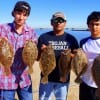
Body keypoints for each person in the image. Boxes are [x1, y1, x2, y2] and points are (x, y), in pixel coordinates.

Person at [0, 1, 37, 100]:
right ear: (13, 13)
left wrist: (32, 45)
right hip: (6, 79)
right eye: (18, 13)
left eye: (25, 15)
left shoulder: (32, 32)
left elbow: (34, 53)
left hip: (24, 78)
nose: (21, 17)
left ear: (27, 16)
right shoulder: (2, 28)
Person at [37, 12, 79, 100]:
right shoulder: (43, 37)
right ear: (51, 22)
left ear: (65, 23)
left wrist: (69, 55)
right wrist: (41, 51)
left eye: (61, 20)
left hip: (63, 78)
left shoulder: (71, 39)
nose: (58, 23)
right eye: (56, 20)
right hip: (46, 77)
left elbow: (77, 58)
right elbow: (37, 59)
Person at [79, 11, 100, 100]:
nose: (94, 27)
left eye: (97, 24)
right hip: (85, 82)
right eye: (92, 24)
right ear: (88, 25)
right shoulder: (83, 42)